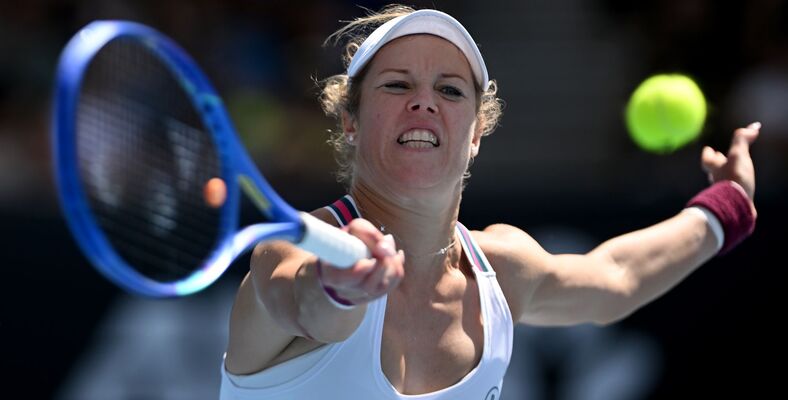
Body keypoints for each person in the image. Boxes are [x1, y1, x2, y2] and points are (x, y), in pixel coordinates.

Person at [219, 5, 759, 399]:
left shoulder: (501, 268)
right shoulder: (288, 254)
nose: (424, 101)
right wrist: (340, 289)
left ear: (476, 134)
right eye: (396, 85)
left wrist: (727, 205)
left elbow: (613, 278)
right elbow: (303, 303)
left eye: (451, 91)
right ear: (351, 123)